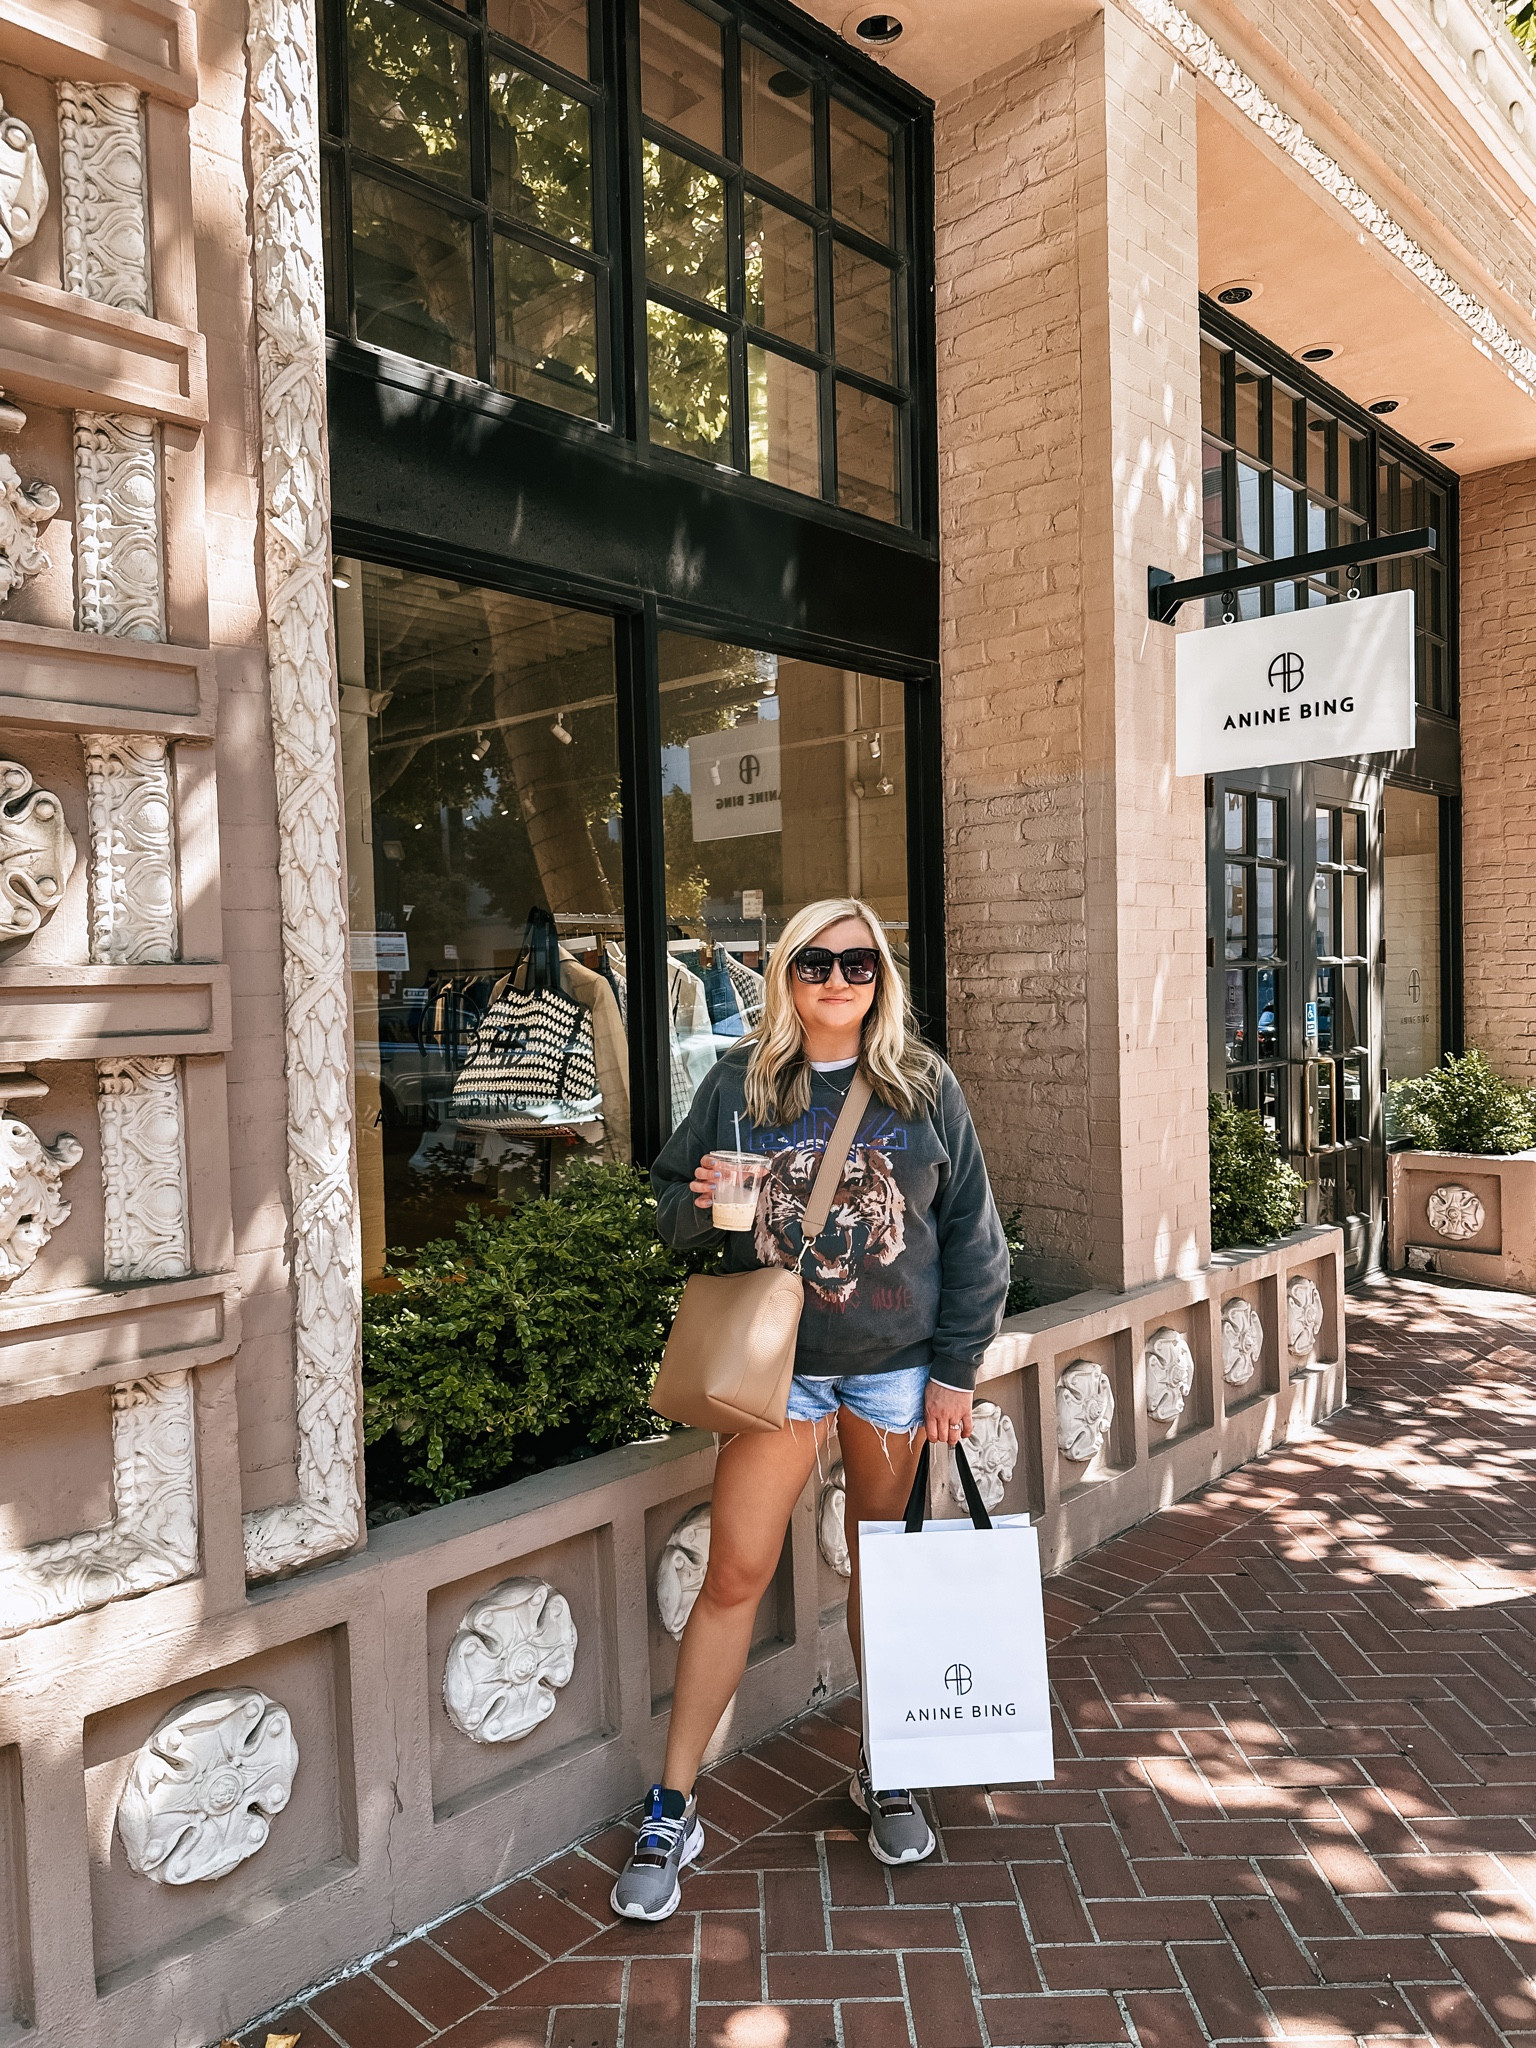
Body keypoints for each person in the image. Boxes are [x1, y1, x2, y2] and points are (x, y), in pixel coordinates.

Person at [611, 897, 1011, 1921]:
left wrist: (956, 1371)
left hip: (894, 1369)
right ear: (786, 975)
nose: (838, 979)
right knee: (735, 1571)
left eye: (860, 962)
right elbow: (665, 1211)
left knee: (885, 1570)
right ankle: (673, 1802)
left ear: (882, 977)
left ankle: (891, 1763)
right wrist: (699, 1199)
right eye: (816, 962)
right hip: (777, 1366)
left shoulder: (924, 1089)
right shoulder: (740, 1086)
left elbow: (972, 1236)